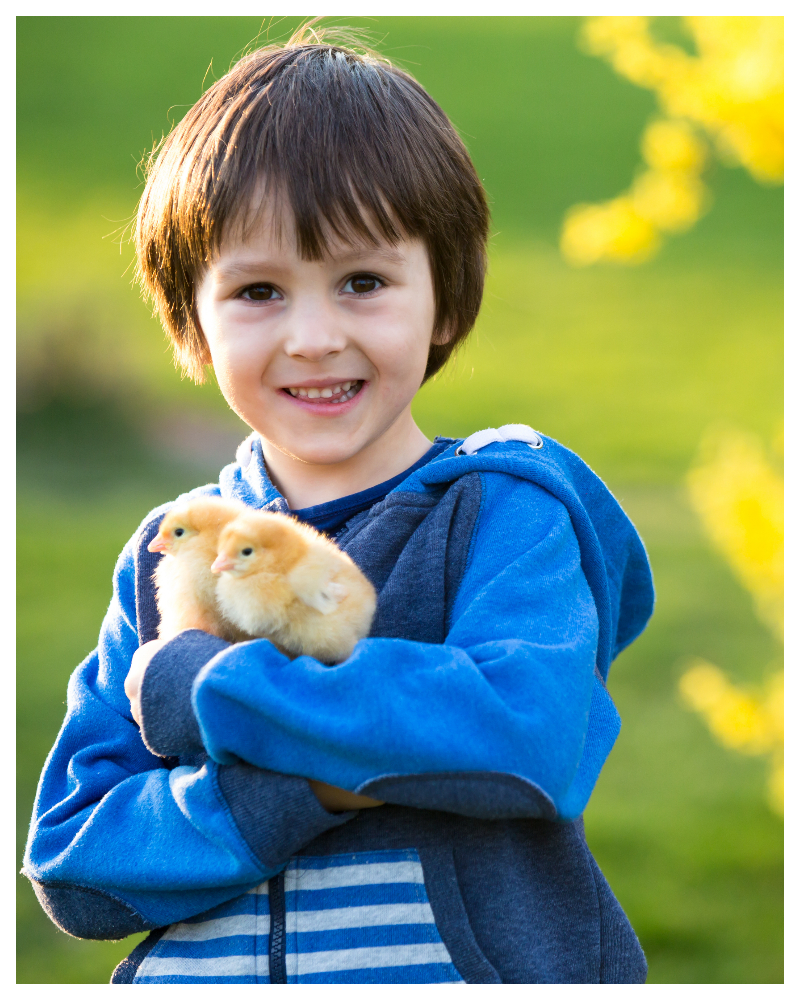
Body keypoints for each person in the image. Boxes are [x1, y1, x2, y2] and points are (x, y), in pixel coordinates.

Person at [23, 27, 654, 984]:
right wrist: (311, 786)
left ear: (444, 300)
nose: (314, 337)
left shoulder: (504, 510)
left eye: (362, 283)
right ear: (192, 319)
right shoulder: (176, 548)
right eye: (260, 291)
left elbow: (529, 742)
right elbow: (77, 865)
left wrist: (211, 690)